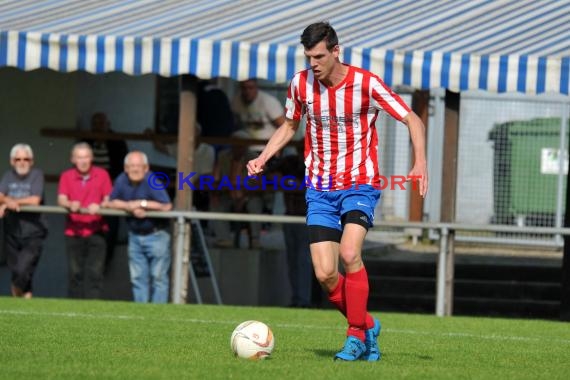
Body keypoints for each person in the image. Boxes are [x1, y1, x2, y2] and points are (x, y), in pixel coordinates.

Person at [247, 22, 428, 361]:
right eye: (308, 57)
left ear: (335, 51)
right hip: (319, 189)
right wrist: (263, 156)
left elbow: (412, 119)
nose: (313, 63)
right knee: (326, 274)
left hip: (359, 185)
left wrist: (420, 162)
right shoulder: (300, 84)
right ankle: (367, 325)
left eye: (318, 56)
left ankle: (355, 335)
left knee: (349, 254)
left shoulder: (366, 83)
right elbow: (289, 125)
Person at [106, 151, 173, 303]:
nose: (135, 169)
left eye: (138, 166)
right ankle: (141, 313)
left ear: (146, 168)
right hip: (135, 235)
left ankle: (158, 315)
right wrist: (129, 206)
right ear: (125, 168)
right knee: (137, 277)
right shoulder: (122, 179)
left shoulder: (152, 180)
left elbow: (167, 205)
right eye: (132, 166)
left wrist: (142, 204)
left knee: (158, 277)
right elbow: (110, 202)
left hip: (157, 235)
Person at [58, 142, 112, 299]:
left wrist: (100, 205)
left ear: (92, 158)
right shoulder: (66, 176)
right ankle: (74, 309)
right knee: (75, 273)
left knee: (96, 273)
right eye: (79, 157)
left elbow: (109, 199)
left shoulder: (102, 174)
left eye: (86, 157)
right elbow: (61, 199)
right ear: (73, 159)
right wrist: (70, 204)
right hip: (73, 230)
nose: (83, 161)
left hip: (97, 230)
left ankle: (93, 309)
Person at [0, 144, 48, 298]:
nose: (22, 162)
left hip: (33, 230)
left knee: (23, 268)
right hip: (12, 230)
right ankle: (25, 301)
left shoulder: (37, 175)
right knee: (16, 270)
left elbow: (35, 200)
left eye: (26, 159)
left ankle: (20, 296)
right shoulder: (8, 175)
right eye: (18, 159)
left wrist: (12, 202)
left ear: (32, 161)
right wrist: (9, 202)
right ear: (12, 161)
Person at [85, 112, 129, 273]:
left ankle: (105, 263)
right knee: (89, 228)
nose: (98, 127)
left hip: (111, 192)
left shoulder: (117, 142)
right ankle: (90, 263)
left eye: (101, 124)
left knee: (110, 229)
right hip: (88, 193)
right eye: (95, 124)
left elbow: (123, 168)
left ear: (107, 125)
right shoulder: (86, 141)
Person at [274, 154, 313, 308]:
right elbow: (271, 175)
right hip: (289, 217)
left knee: (303, 260)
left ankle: (304, 300)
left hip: (306, 219)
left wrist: (295, 184)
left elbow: (309, 185)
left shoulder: (316, 163)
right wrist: (288, 182)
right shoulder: (289, 161)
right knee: (292, 261)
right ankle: (296, 298)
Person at [232, 78, 285, 153]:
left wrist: (277, 149)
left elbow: (284, 128)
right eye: (244, 88)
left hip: (267, 151)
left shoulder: (268, 102)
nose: (247, 91)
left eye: (250, 88)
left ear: (256, 87)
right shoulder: (236, 101)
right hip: (245, 151)